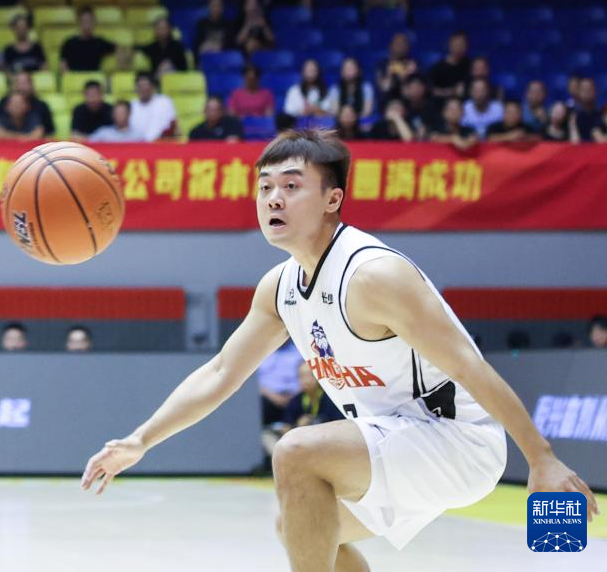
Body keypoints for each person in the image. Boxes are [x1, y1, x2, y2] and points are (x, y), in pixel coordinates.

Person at [82, 129, 599, 571]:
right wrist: (141, 440)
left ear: (333, 199)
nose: (273, 199)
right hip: (396, 438)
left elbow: (469, 364)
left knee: (297, 453)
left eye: (291, 186)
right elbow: (221, 373)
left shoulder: (374, 275)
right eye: (265, 187)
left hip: (456, 439)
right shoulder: (281, 288)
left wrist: (542, 458)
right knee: (301, 524)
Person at [279, 362, 344, 436]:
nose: (306, 380)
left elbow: (339, 426)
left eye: (310, 375)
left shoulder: (331, 398)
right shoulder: (295, 401)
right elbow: (285, 427)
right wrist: (297, 427)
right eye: (301, 376)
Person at [59, 7, 115, 72]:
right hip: (74, 77)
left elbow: (119, 49)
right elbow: (63, 65)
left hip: (94, 77)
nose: (87, 25)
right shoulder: (69, 43)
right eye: (84, 21)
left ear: (94, 23)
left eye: (90, 21)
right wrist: (69, 76)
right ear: (79, 23)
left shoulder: (100, 42)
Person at [283, 59, 335, 127]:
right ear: (302, 72)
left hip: (321, 127)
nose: (310, 73)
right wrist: (303, 112)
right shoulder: (294, 91)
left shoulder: (325, 91)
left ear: (318, 72)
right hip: (297, 127)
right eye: (308, 70)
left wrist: (316, 110)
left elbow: (330, 113)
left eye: (313, 70)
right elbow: (288, 112)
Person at [129, 72, 176, 142]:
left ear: (153, 87)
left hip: (160, 143)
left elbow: (173, 124)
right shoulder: (131, 105)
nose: (143, 89)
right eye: (140, 86)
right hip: (136, 144)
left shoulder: (165, 102)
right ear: (136, 89)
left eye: (146, 85)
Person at [427, 32, 471, 104]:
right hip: (443, 104)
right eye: (457, 44)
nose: (459, 48)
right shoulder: (438, 68)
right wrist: (451, 92)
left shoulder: (470, 66)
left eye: (462, 45)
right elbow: (430, 90)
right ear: (449, 45)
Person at [375, 33, 416, 104]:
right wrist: (389, 74)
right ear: (390, 46)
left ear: (408, 47)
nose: (401, 46)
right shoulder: (382, 65)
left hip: (408, 104)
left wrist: (404, 79)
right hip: (388, 103)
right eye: (398, 43)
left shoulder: (413, 65)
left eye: (403, 44)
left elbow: (413, 94)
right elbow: (383, 90)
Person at [570, 77, 607, 142]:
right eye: (584, 89)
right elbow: (573, 143)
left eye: (589, 89)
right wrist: (573, 127)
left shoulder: (603, 114)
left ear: (596, 91)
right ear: (578, 92)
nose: (587, 92)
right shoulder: (572, 116)